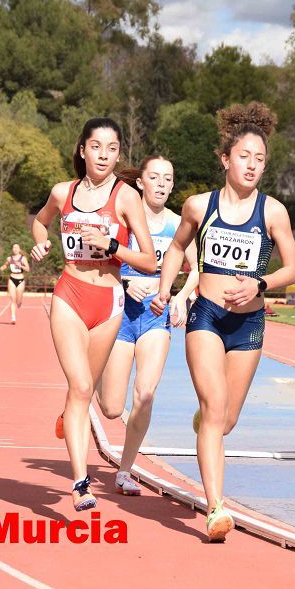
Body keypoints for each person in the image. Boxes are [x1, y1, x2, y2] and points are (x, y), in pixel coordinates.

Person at [152, 102, 295, 541]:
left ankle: (207, 427)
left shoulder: (273, 213)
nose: (252, 165)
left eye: (260, 159)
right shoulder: (199, 206)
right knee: (215, 411)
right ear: (225, 159)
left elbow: (292, 269)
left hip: (249, 326)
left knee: (226, 418)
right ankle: (215, 508)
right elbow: (178, 247)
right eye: (244, 156)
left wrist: (260, 284)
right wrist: (166, 286)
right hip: (208, 318)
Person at [30, 118, 156, 511]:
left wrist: (113, 244)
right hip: (69, 293)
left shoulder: (126, 197)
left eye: (112, 148)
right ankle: (81, 483)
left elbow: (150, 261)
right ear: (82, 150)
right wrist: (40, 245)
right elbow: (40, 221)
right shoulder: (61, 191)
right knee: (82, 387)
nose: (104, 155)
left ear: (119, 154)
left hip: (108, 302)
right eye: (96, 147)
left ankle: (70, 414)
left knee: (85, 393)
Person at [97, 156, 199, 496]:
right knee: (112, 408)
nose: (161, 184)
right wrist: (126, 284)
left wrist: (180, 295)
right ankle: (88, 381)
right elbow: (99, 263)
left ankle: (125, 471)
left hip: (155, 316)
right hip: (120, 312)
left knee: (145, 393)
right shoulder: (124, 220)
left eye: (167, 179)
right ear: (140, 182)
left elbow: (195, 269)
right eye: (154, 177)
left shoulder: (177, 223)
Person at [0, 244, 29, 324]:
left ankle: (19, 302)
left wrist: (21, 266)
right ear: (12, 249)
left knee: (18, 300)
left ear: (19, 249)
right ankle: (13, 317)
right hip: (12, 279)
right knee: (12, 299)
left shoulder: (23, 259)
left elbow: (28, 269)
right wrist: (3, 267)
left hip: (20, 279)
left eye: (16, 247)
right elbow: (6, 265)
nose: (15, 249)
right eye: (14, 247)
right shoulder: (9, 258)